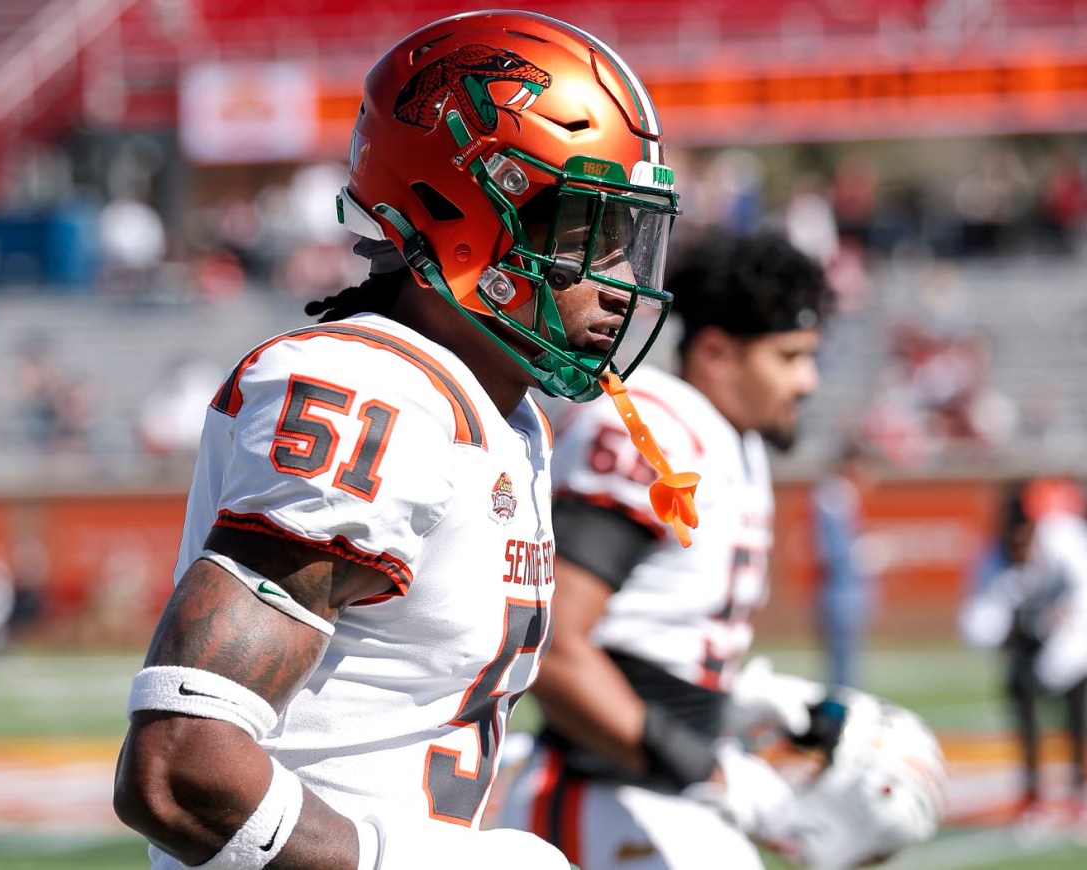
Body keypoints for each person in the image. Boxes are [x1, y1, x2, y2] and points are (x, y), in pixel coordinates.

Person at [111, 10, 697, 870]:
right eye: (584, 235)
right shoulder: (371, 390)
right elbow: (179, 768)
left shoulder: (502, 412)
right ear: (464, 206)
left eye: (628, 241)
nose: (619, 284)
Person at [496, 228, 843, 868]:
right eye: (790, 356)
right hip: (603, 798)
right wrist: (703, 767)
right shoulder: (657, 430)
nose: (807, 382)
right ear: (715, 352)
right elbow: (554, 641)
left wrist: (737, 706)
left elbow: (651, 635)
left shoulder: (733, 439)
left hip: (657, 794)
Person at [959, 478, 1087, 831]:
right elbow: (976, 624)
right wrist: (1009, 634)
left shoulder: (1065, 542)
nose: (1019, 548)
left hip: (1074, 638)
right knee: (1023, 707)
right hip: (1027, 641)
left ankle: (1080, 791)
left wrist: (1059, 652)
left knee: (1077, 713)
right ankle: (1033, 796)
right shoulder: (992, 558)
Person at [811, 439, 880, 690]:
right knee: (842, 670)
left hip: (846, 590)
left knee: (847, 665)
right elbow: (834, 551)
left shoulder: (840, 495)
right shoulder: (834, 495)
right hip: (840, 591)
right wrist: (862, 554)